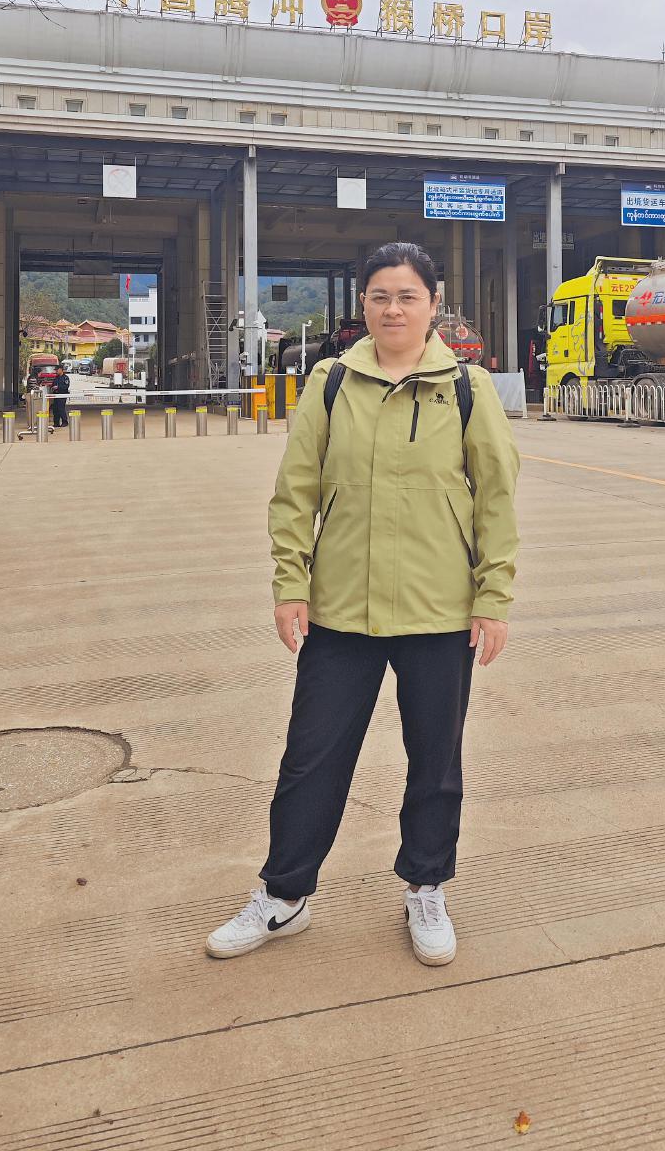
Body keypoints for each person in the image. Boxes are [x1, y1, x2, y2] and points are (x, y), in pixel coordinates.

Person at [206, 242, 520, 966]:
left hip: (440, 610)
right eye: (380, 296)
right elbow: (296, 493)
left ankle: (426, 887)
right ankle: (284, 895)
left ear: (433, 305)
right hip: (342, 609)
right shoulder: (330, 383)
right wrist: (291, 584)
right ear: (363, 305)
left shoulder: (465, 388)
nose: (393, 309)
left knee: (435, 761)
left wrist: (493, 598)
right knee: (310, 758)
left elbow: (496, 502)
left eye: (408, 296)